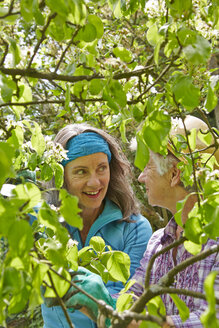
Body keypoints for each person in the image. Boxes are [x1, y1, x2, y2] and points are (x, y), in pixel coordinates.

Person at [52, 116, 218, 327]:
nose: (140, 177)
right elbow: (132, 301)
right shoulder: (159, 242)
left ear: (175, 174)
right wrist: (100, 304)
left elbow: (210, 320)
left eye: (148, 166)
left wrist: (106, 309)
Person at [41, 123, 152, 328]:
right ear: (61, 177)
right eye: (81, 172)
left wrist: (103, 302)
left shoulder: (135, 229)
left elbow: (135, 308)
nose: (95, 182)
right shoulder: (46, 228)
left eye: (102, 168)